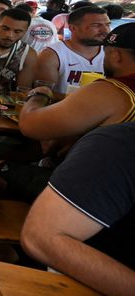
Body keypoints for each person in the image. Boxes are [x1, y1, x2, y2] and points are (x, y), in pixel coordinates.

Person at [0, 23, 135, 203]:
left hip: (92, 195)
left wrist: (39, 95)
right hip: (122, 191)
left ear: (115, 55)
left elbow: (30, 124)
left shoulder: (115, 90)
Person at [20, 122, 135, 295]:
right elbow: (39, 237)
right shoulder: (119, 144)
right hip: (69, 269)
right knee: (0, 167)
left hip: (69, 187)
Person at [34, 6, 109, 97]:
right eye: (96, 25)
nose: (105, 30)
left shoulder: (113, 54)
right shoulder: (52, 55)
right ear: (73, 28)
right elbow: (44, 94)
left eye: (107, 25)